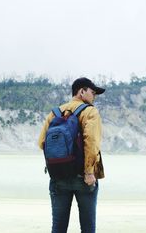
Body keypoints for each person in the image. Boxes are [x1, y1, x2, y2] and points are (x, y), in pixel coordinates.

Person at [38, 77, 106, 233]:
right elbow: (91, 142)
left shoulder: (54, 113)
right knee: (88, 228)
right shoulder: (90, 112)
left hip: (58, 177)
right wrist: (89, 172)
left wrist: (60, 162)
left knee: (58, 228)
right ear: (81, 91)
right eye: (92, 92)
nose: (94, 97)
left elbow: (42, 142)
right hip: (83, 178)